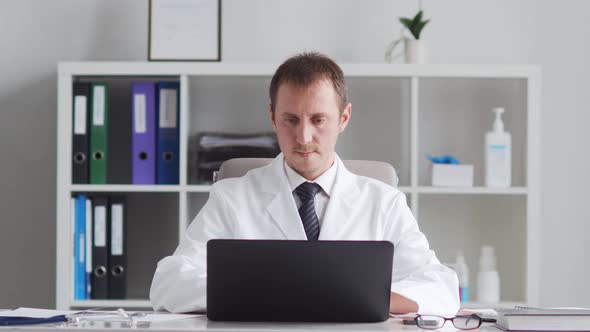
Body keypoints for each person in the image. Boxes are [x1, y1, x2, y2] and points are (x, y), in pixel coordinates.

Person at [149, 52, 460, 315]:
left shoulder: (383, 201)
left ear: (344, 118)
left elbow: (441, 288)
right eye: (291, 120)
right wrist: (261, 292)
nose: (304, 137)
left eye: (319, 120)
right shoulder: (232, 196)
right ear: (272, 117)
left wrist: (373, 296)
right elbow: (169, 282)